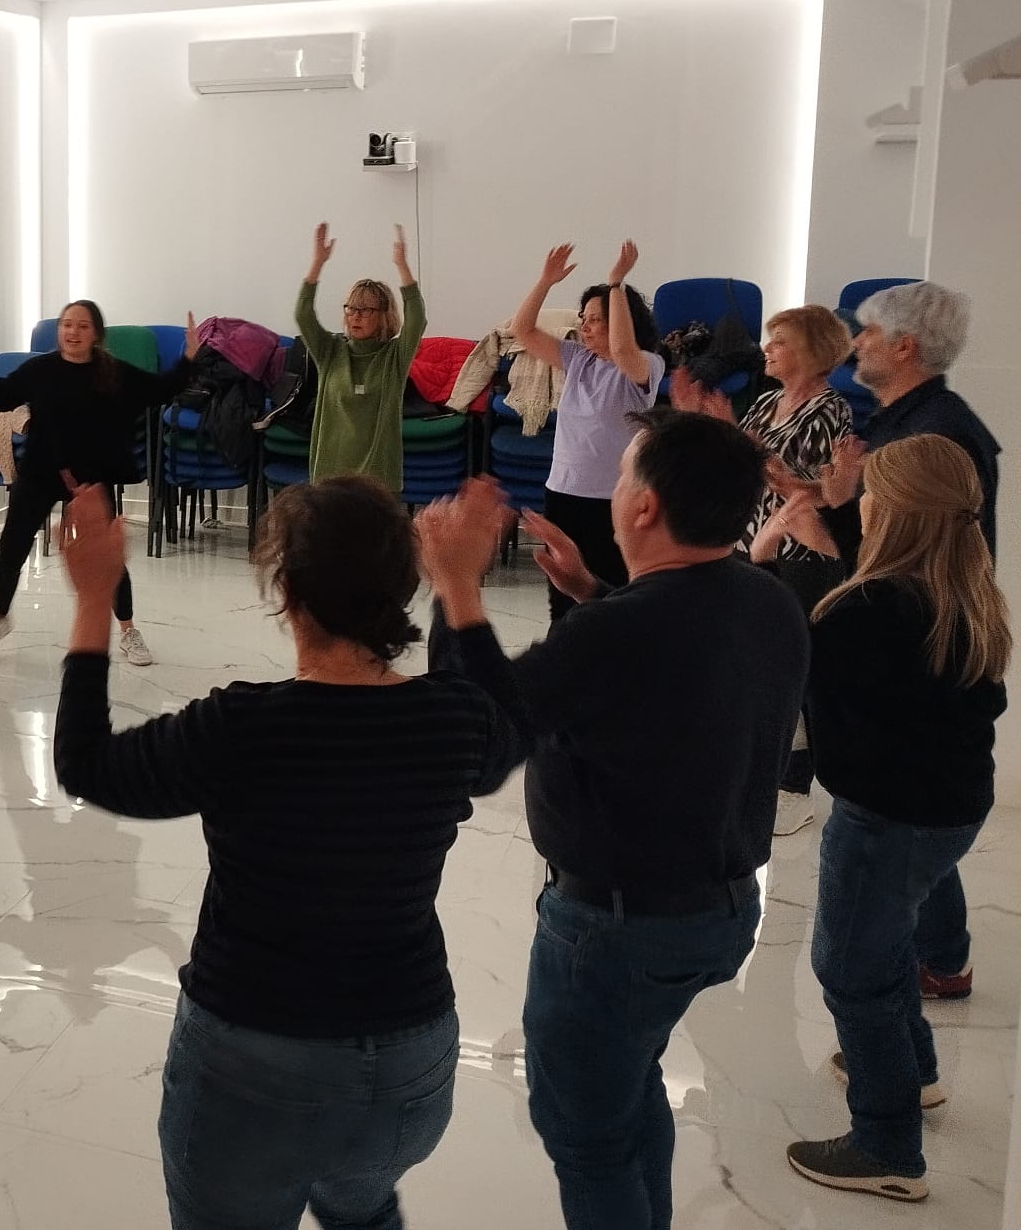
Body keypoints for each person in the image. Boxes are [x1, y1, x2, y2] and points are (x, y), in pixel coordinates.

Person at [53, 476, 516, 1230]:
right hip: (410, 1063)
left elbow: (86, 765)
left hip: (252, 1061)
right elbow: (504, 725)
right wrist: (459, 585)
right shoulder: (455, 720)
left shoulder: (240, 729)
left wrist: (93, 597)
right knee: (364, 1212)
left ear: (288, 593)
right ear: (402, 588)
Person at [418, 411, 806, 1230]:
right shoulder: (767, 599)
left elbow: (475, 745)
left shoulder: (616, 632)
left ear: (644, 506)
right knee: (631, 1087)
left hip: (619, 933)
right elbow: (673, 664)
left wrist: (456, 589)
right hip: (722, 910)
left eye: (625, 473)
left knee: (587, 1138)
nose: (616, 486)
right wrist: (592, 590)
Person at [779, 435, 1008, 1203]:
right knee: (888, 945)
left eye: (870, 493)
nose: (862, 503)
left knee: (850, 968)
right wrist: (833, 540)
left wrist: (789, 562)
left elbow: (802, 662)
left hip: (885, 819)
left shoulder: (869, 610)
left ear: (894, 513)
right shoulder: (961, 590)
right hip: (948, 811)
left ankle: (885, 1145)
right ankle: (916, 1074)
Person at [795, 281, 1001, 1001]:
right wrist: (836, 506)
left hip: (901, 751)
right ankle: (942, 956)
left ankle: (904, 1020)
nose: (856, 343)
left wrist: (829, 525)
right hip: (913, 746)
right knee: (917, 836)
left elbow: (900, 577)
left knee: (868, 925)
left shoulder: (936, 436)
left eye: (869, 333)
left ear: (906, 347)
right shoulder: (905, 423)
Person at [0, 301, 198, 668]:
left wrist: (189, 359)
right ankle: (0, 617)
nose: (73, 332)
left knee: (107, 557)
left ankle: (129, 630)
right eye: (67, 324)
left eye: (83, 326)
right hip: (40, 472)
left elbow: (158, 389)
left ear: (96, 334)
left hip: (89, 478)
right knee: (10, 552)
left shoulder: (112, 372)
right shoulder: (40, 369)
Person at [722, 306, 854, 838]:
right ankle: (759, 767)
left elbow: (829, 494)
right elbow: (742, 460)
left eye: (779, 341)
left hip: (799, 554)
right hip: (750, 543)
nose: (767, 349)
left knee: (791, 667)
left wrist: (777, 475)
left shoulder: (829, 411)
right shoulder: (765, 401)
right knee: (753, 662)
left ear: (812, 352)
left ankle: (795, 785)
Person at [507, 242, 665, 622]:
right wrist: (545, 281)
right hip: (563, 492)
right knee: (561, 592)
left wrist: (616, 284)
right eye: (584, 317)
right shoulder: (579, 359)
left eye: (595, 319)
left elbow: (623, 350)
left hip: (611, 499)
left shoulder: (646, 364)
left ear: (620, 320)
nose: (585, 325)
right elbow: (521, 330)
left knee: (607, 592)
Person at [293, 221, 426, 488]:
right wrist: (317, 263)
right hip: (330, 481)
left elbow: (417, 319)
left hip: (378, 483)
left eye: (365, 310)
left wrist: (402, 266)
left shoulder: (394, 357)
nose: (355, 316)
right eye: (351, 308)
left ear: (384, 315)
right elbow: (302, 314)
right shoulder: (330, 351)